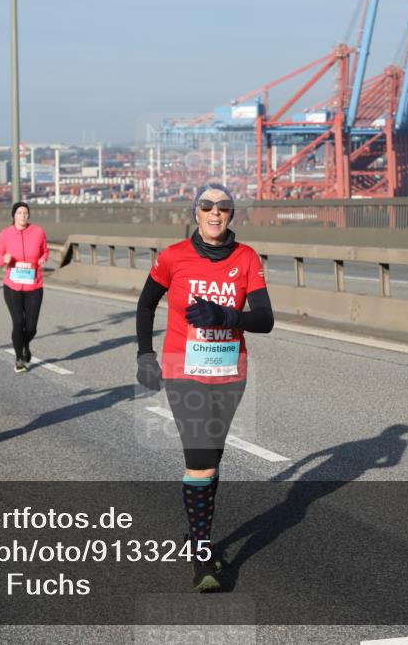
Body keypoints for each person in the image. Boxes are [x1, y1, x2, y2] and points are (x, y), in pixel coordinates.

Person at [135, 183, 274, 591]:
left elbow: (265, 319)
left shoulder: (245, 257)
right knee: (201, 459)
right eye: (207, 206)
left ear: (232, 214)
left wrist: (226, 315)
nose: (216, 214)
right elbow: (146, 304)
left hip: (230, 371)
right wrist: (145, 354)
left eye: (224, 208)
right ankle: (202, 557)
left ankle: (197, 532)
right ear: (195, 211)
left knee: (211, 457)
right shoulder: (173, 257)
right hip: (184, 369)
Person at [0, 201, 49, 373]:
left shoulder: (38, 232)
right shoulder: (5, 234)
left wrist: (43, 259)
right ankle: (19, 358)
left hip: (34, 285)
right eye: (19, 213)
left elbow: (44, 251)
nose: (23, 215)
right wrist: (4, 259)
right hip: (12, 287)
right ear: (13, 216)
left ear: (28, 215)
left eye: (25, 212)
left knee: (31, 327)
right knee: (18, 322)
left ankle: (24, 344)